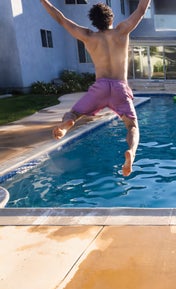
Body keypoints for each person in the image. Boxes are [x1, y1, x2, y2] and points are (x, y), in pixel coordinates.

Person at [40, 0, 151, 177]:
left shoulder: (88, 36)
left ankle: (65, 126)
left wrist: (43, 1)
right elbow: (141, 9)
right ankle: (131, 152)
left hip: (99, 88)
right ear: (111, 18)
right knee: (132, 126)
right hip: (119, 88)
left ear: (93, 21)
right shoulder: (122, 31)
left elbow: (60, 18)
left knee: (74, 114)